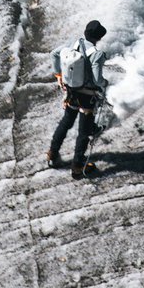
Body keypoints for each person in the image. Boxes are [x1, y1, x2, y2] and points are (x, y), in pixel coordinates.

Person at [47, 20, 107, 178]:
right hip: (87, 96)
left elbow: (54, 54)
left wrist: (59, 75)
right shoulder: (96, 53)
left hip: (70, 92)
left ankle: (52, 154)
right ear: (99, 37)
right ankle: (78, 166)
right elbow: (97, 79)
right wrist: (104, 83)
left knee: (66, 122)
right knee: (84, 132)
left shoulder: (73, 44)